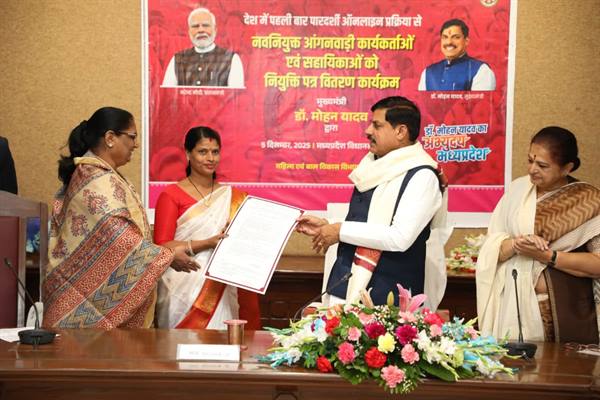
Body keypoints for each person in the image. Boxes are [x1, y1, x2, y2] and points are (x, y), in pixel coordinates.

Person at [43, 107, 197, 329]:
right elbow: (119, 238)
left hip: (84, 296)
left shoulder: (99, 174)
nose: (136, 144)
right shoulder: (95, 179)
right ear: (110, 138)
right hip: (79, 305)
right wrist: (167, 256)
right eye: (132, 137)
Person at [297, 96, 448, 309]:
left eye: (377, 125)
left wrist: (340, 230)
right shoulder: (373, 166)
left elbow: (400, 237)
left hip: (385, 299)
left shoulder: (422, 176)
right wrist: (328, 225)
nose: (368, 131)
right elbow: (367, 220)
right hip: (345, 285)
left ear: (400, 132)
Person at [477, 127, 600, 343]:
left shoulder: (588, 200)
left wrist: (548, 256)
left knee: (551, 364)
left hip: (559, 311)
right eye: (530, 161)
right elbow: (493, 245)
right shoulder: (517, 190)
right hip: (509, 303)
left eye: (542, 165)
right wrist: (517, 244)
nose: (532, 170)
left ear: (567, 168)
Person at [153, 126, 261, 330]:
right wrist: (207, 243)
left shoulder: (235, 197)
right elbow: (162, 246)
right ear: (188, 154)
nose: (210, 158)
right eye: (202, 152)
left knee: (223, 342)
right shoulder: (171, 195)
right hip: (183, 284)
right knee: (183, 345)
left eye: (215, 152)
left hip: (223, 284)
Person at [162, 7, 244, 88]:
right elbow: (167, 93)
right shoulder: (177, 59)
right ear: (189, 31)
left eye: (205, 25)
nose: (201, 30)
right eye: (195, 26)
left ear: (215, 30)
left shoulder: (231, 59)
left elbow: (236, 95)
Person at [418, 19, 496, 91]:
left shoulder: (481, 70)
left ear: (466, 41)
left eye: (456, 37)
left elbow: (481, 101)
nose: (449, 42)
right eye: (445, 37)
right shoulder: (428, 73)